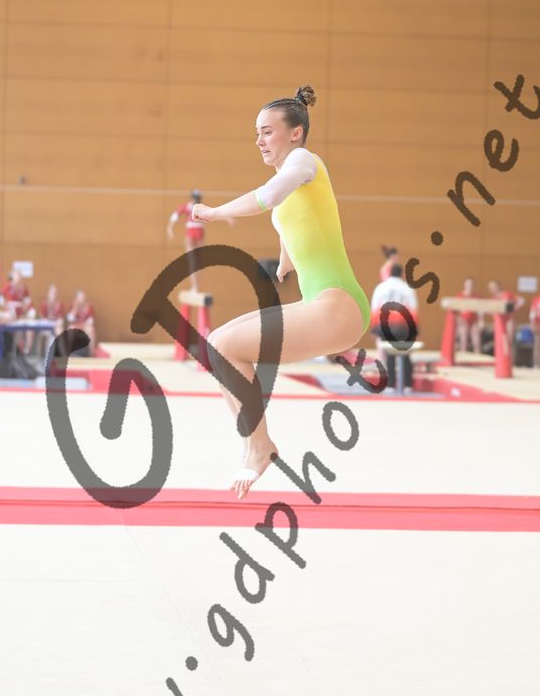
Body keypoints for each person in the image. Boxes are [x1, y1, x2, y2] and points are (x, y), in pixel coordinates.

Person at [191, 85, 370, 500]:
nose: (259, 141)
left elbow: (270, 197)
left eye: (267, 132)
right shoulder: (293, 180)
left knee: (225, 347)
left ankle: (259, 447)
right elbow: (294, 218)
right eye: (257, 133)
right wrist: (286, 260)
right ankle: (256, 444)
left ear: (296, 133)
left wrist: (216, 212)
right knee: (217, 346)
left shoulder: (304, 161)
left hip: (339, 304)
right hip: (324, 303)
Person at [167, 189, 234, 291]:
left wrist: (227, 219)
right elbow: (175, 215)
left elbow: (214, 214)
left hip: (197, 231)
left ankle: (195, 286)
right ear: (192, 198)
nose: (197, 200)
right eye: (196, 198)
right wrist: (169, 228)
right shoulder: (190, 207)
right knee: (193, 259)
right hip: (193, 231)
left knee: (196, 260)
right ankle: (195, 286)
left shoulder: (195, 207)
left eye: (197, 199)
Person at [370, 263, 418, 394]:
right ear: (401, 274)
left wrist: (374, 328)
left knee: (389, 355)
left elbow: (374, 307)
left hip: (386, 325)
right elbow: (414, 309)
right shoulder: (407, 288)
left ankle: (391, 385)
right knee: (406, 354)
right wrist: (415, 331)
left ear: (390, 272)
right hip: (404, 326)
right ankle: (408, 385)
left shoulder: (381, 287)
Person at [486, 279, 524, 362]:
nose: (492, 289)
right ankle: (501, 361)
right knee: (500, 343)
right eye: (490, 288)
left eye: (494, 286)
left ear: (498, 286)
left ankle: (511, 362)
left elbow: (521, 300)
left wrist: (514, 308)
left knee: (509, 342)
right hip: (499, 322)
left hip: (508, 320)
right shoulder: (492, 299)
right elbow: (486, 311)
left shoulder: (507, 295)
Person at [455, 275, 483, 354]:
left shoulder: (477, 297)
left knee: (477, 342)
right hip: (463, 320)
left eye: (471, 284)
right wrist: (458, 320)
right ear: (464, 285)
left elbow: (480, 311)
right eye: (468, 284)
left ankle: (478, 356)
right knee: (464, 340)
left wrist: (481, 321)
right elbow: (456, 311)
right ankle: (463, 355)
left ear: (474, 285)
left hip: (474, 321)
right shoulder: (460, 296)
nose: (470, 286)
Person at [67, 289, 97, 357]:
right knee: (70, 328)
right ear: (76, 298)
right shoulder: (73, 305)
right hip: (76, 325)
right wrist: (75, 309)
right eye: (80, 297)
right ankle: (68, 352)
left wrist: (82, 325)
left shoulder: (89, 307)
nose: (82, 299)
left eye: (83, 297)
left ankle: (91, 354)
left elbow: (90, 321)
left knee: (91, 330)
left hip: (85, 326)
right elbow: (70, 319)